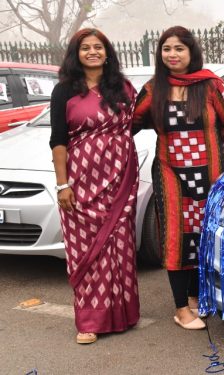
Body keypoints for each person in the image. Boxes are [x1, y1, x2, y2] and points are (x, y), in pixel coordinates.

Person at [133, 26, 224, 330]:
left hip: (209, 175)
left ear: (191, 52)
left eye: (179, 48)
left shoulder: (210, 85)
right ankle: (181, 308)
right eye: (167, 48)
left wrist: (205, 148)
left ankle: (195, 298)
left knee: (204, 235)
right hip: (171, 175)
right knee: (177, 237)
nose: (172, 54)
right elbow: (131, 121)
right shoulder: (154, 89)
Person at [49, 28, 139, 344]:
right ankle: (89, 320)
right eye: (85, 47)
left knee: (119, 244)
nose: (92, 52)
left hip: (119, 178)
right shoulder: (64, 91)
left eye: (97, 47)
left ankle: (123, 315)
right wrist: (63, 185)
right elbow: (58, 141)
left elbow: (139, 123)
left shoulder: (123, 88)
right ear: (76, 54)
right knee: (87, 248)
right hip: (81, 182)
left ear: (107, 52)